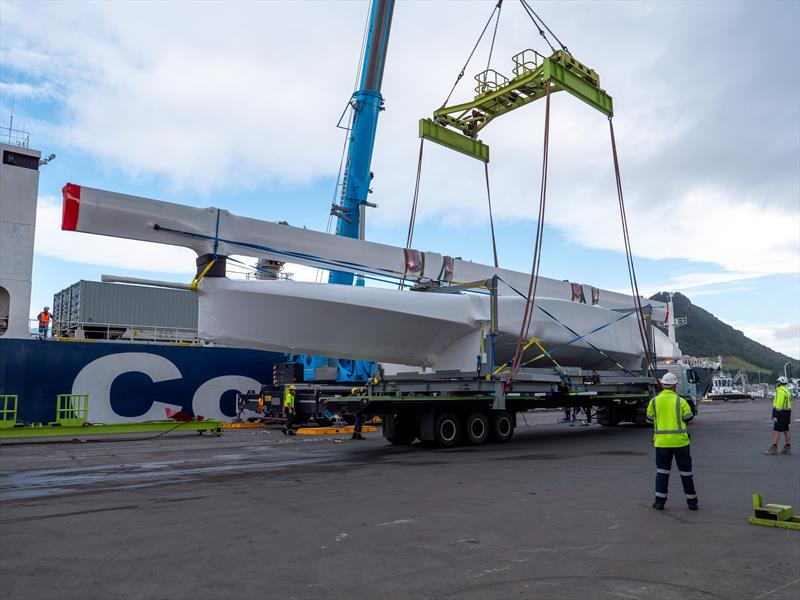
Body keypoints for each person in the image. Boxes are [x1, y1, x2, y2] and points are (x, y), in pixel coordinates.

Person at [646, 372, 698, 511]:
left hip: (662, 443)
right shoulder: (681, 401)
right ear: (675, 386)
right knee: (686, 473)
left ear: (663, 385)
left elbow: (649, 419)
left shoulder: (654, 401)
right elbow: (689, 418)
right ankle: (692, 503)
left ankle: (659, 502)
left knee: (662, 472)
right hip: (680, 443)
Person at [765, 376, 792, 455]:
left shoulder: (780, 391)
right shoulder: (787, 391)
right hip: (787, 412)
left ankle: (774, 448)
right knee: (786, 429)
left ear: (780, 383)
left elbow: (779, 405)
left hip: (780, 412)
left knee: (776, 430)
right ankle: (787, 447)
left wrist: (776, 414)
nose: (777, 384)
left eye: (778, 382)